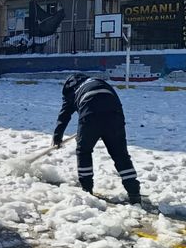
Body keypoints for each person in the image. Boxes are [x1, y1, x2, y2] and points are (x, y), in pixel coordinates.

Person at [52, 73, 142, 205]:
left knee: (84, 151)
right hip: (115, 115)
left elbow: (65, 114)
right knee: (120, 155)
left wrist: (57, 135)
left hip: (90, 116)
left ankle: (87, 190)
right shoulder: (99, 81)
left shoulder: (72, 91)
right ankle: (134, 193)